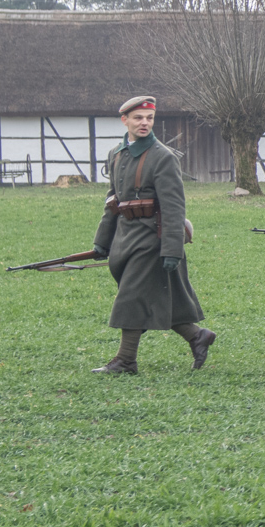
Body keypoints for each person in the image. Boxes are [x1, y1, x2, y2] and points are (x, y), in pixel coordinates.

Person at [90, 96, 214, 374]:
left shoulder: (163, 157)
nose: (144, 123)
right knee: (151, 296)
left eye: (149, 118)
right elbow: (113, 200)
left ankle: (125, 361)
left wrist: (171, 249)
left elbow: (173, 207)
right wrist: (102, 240)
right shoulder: (116, 155)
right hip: (125, 237)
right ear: (125, 121)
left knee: (131, 297)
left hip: (152, 238)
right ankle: (197, 336)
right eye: (138, 118)